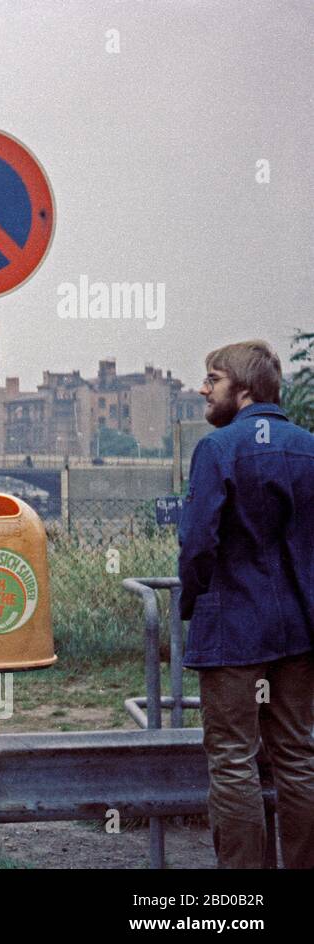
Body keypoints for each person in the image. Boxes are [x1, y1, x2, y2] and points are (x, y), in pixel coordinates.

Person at [178, 340, 314, 868]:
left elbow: (197, 544)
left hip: (233, 629)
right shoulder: (308, 447)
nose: (203, 388)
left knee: (234, 761)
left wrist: (195, 601)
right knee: (299, 757)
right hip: (299, 629)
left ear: (245, 390)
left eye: (213, 378)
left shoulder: (218, 450)